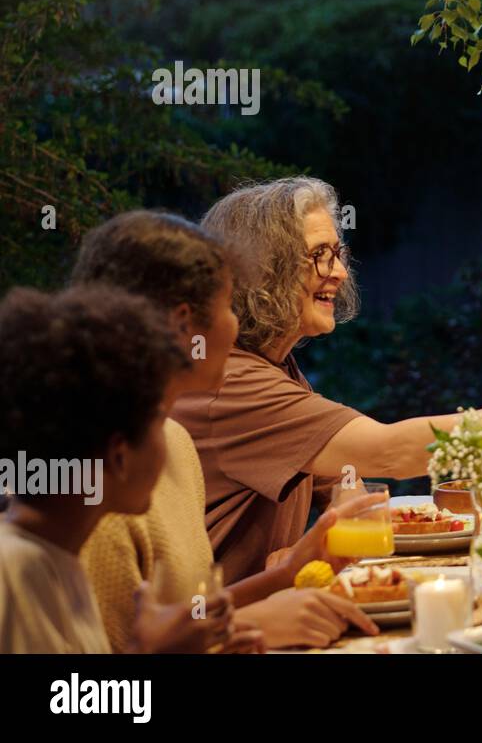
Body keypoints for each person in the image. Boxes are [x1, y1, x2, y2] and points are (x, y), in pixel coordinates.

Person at [173, 177, 482, 581]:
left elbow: (347, 481)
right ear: (262, 270)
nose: (338, 272)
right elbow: (390, 451)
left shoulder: (275, 367)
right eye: (319, 255)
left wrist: (340, 512)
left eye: (338, 254)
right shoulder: (232, 383)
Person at [73, 210, 380, 650]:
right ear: (183, 325)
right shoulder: (98, 490)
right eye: (228, 305)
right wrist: (249, 624)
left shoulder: (173, 441)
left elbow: (192, 615)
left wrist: (287, 575)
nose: (238, 326)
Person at [0, 285, 258, 654]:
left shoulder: (54, 555)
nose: (169, 435)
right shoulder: (13, 575)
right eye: (159, 417)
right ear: (120, 456)